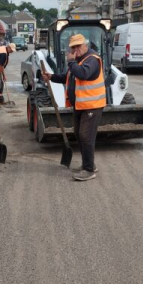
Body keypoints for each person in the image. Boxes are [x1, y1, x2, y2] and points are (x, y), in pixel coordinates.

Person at [42, 33, 106, 182]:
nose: (76, 49)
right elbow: (67, 77)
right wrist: (51, 77)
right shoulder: (78, 61)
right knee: (79, 134)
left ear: (85, 45)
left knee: (85, 136)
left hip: (92, 105)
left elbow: (83, 74)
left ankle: (89, 169)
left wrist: (71, 62)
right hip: (80, 105)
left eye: (78, 46)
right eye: (73, 47)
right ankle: (88, 164)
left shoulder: (92, 60)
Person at [0, 42, 16, 107]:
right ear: (9, 47)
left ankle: (1, 99)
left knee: (1, 83)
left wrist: (2, 75)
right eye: (11, 50)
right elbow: (1, 66)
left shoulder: (5, 50)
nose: (12, 51)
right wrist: (4, 76)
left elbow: (2, 66)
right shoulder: (3, 53)